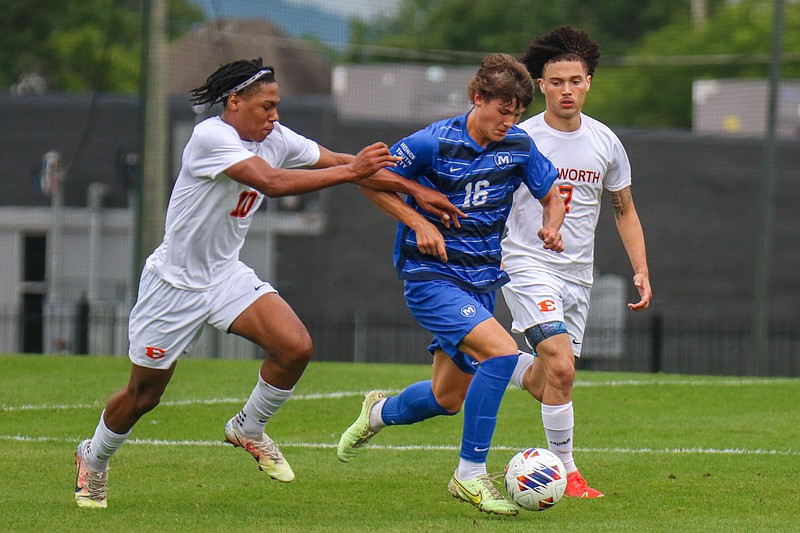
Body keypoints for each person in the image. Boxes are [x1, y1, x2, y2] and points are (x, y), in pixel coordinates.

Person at [73, 58, 463, 509]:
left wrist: (414, 190)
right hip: (173, 286)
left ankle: (248, 427)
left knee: (295, 346)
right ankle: (93, 457)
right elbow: (273, 183)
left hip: (225, 276)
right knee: (144, 395)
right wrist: (353, 173)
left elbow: (342, 162)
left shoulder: (274, 137)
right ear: (234, 102)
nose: (274, 116)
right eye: (266, 107)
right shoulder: (210, 138)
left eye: (277, 106)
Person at [336, 53, 566, 516]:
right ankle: (469, 475)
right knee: (501, 354)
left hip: (480, 280)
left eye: (517, 112)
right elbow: (368, 179)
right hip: (431, 276)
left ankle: (377, 411)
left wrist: (552, 225)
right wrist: (416, 221)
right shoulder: (432, 142)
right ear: (477, 98)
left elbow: (551, 194)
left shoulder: (518, 146)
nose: (509, 120)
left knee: (446, 399)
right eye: (502, 109)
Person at [501, 26, 652, 498]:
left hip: (577, 277)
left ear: (589, 82)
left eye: (576, 80)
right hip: (526, 263)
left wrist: (641, 268)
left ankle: (492, 357)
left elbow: (624, 209)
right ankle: (566, 473)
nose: (567, 90)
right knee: (564, 369)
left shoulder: (606, 142)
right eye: (557, 81)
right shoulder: (520, 138)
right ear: (541, 85)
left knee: (546, 378)